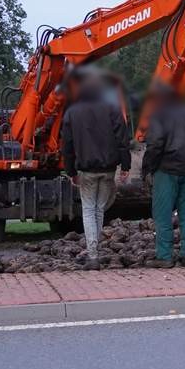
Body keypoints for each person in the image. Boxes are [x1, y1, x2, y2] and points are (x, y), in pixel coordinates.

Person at [61, 73, 131, 267]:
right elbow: (122, 139)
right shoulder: (112, 107)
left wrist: (71, 171)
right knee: (99, 209)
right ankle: (95, 250)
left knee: (89, 210)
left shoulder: (72, 112)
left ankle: (93, 255)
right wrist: (125, 166)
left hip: (86, 170)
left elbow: (67, 144)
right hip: (108, 168)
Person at [142, 84, 185, 267]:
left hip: (167, 170)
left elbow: (155, 144)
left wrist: (148, 168)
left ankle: (164, 256)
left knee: (162, 214)